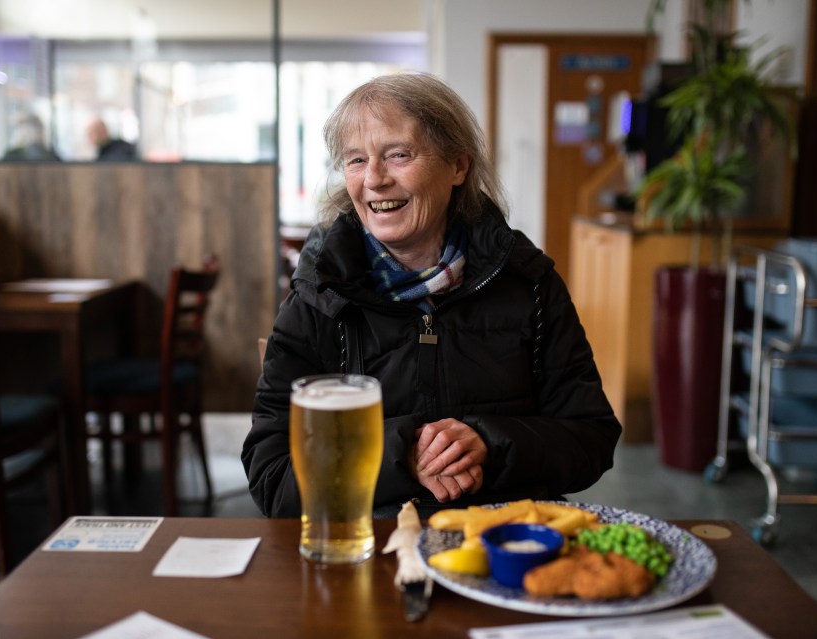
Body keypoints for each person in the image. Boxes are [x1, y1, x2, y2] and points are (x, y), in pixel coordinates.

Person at [242, 72, 621, 519]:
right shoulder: (319, 294)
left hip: (504, 543)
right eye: (356, 160)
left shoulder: (530, 283)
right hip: (370, 546)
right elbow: (272, 476)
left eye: (399, 155)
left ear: (458, 166)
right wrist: (402, 456)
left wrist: (488, 444)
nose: (375, 180)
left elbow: (591, 439)